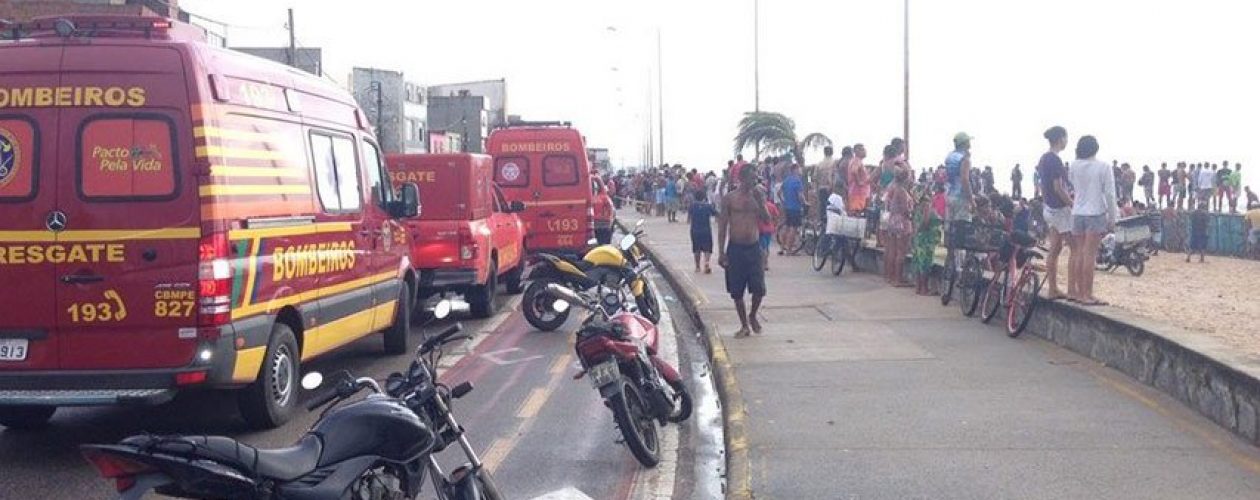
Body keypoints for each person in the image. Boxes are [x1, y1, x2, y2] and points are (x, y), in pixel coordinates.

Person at [718, 165, 770, 337]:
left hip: (754, 247)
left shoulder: (758, 196)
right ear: (741, 178)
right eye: (751, 178)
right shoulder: (729, 199)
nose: (754, 182)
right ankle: (744, 325)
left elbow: (767, 220)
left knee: (759, 288)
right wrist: (721, 252)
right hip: (736, 248)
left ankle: (753, 314)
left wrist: (761, 203)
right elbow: (723, 225)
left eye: (756, 178)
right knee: (737, 290)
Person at [1067, 135, 1117, 306]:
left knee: (1080, 252)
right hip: (1095, 212)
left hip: (1077, 212)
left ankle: (1079, 291)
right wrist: (1113, 217)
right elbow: (1110, 194)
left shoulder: (1074, 165)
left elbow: (1073, 185)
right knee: (1090, 255)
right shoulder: (1103, 167)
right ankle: (1087, 294)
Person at [1038, 126, 1073, 301]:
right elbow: (1058, 188)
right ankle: (1073, 289)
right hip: (1059, 210)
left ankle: (1053, 288)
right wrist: (1072, 204)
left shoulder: (1044, 159)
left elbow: (1045, 188)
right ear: (1061, 139)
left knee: (1055, 248)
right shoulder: (1055, 160)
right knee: (1075, 247)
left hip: (1049, 209)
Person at [884, 169, 914, 287]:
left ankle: (890, 276)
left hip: (893, 220)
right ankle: (897, 278)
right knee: (901, 251)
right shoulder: (901, 191)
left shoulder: (894, 188)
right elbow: (905, 209)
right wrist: (911, 211)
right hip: (902, 221)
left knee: (892, 249)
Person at [912, 184, 944, 295]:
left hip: (920, 239)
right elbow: (925, 221)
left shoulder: (917, 209)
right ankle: (924, 288)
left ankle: (918, 287)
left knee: (918, 263)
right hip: (926, 240)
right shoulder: (926, 206)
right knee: (925, 264)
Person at [944, 132, 976, 223]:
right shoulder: (964, 158)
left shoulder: (950, 157)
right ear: (965, 143)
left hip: (949, 195)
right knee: (961, 229)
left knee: (950, 228)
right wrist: (971, 200)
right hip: (961, 197)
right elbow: (964, 179)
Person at [778, 163, 805, 255]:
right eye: (799, 169)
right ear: (795, 170)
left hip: (787, 207)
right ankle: (789, 250)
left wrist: (783, 201)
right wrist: (804, 203)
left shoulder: (786, 180)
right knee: (793, 228)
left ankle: (782, 248)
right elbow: (800, 195)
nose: (800, 170)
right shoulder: (797, 181)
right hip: (795, 207)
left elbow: (779, 192)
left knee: (787, 227)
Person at [689, 189, 718, 273]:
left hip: (695, 230)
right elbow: (715, 213)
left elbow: (690, 215)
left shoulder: (692, 206)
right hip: (706, 230)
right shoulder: (708, 206)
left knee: (696, 249)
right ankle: (706, 263)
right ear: (704, 197)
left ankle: (697, 266)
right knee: (707, 248)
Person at [814, 146, 840, 226]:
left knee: (822, 206)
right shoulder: (835, 162)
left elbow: (814, 178)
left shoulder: (819, 164)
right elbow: (835, 176)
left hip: (821, 188)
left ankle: (822, 223)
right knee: (832, 206)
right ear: (832, 152)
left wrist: (815, 188)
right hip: (832, 188)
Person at [846, 144, 871, 213]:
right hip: (858, 193)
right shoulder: (856, 161)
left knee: (859, 212)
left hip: (859, 193)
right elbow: (854, 171)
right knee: (857, 212)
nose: (865, 151)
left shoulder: (857, 161)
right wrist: (859, 182)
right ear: (857, 151)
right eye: (862, 149)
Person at [759, 195, 779, 271]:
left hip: (759, 229)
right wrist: (775, 225)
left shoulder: (755, 205)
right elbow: (776, 216)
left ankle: (764, 263)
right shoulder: (771, 206)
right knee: (766, 247)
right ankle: (765, 263)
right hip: (768, 229)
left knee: (762, 247)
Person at [593, 178, 615, 244]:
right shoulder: (605, 198)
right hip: (603, 224)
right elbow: (611, 212)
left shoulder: (604, 198)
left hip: (599, 224)